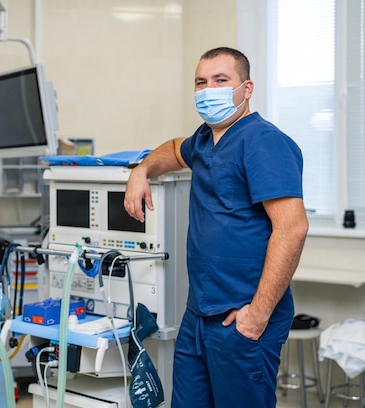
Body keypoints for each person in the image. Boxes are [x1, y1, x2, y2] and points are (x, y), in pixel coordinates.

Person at [124, 46, 309, 407]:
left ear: (247, 88)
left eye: (221, 81)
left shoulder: (263, 142)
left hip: (242, 318)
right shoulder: (205, 141)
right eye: (201, 82)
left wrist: (257, 315)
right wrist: (141, 169)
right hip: (199, 315)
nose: (209, 90)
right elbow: (175, 149)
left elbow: (293, 229)